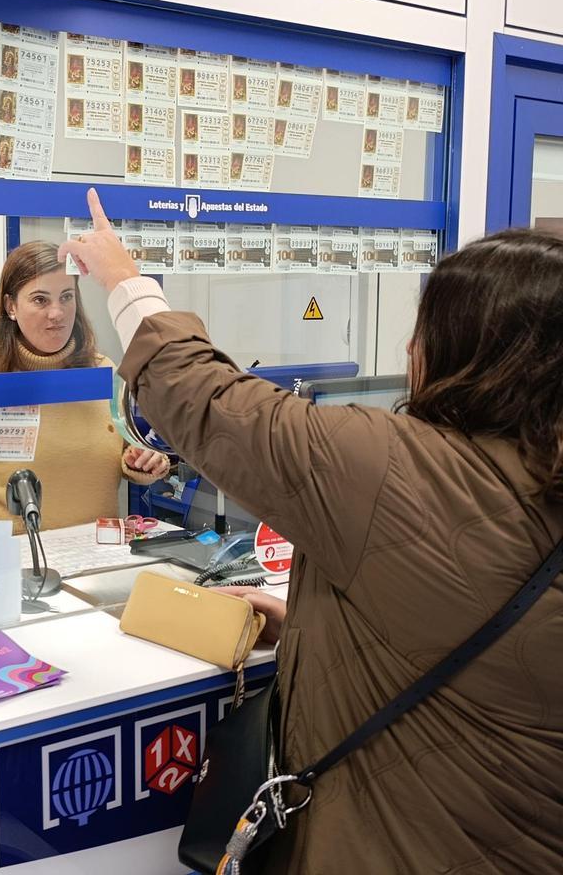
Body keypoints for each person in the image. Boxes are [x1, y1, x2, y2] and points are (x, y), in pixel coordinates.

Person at [62, 188, 563, 872]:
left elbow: (205, 398)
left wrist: (122, 277)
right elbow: (466, 613)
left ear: (465, 353)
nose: (409, 346)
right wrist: (307, 621)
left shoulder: (398, 468)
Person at [0, 241, 169, 530]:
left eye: (66, 297)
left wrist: (144, 459)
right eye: (40, 300)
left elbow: (134, 448)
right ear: (11, 306)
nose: (57, 313)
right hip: (13, 554)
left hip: (95, 552)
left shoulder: (103, 373)